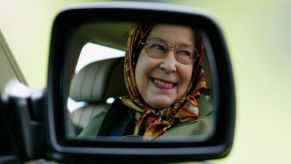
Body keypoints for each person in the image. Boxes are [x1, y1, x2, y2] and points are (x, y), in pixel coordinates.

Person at [78, 23, 212, 140]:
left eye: (185, 53)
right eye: (158, 47)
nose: (170, 65)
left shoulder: (210, 130)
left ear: (194, 69)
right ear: (134, 57)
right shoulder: (103, 120)